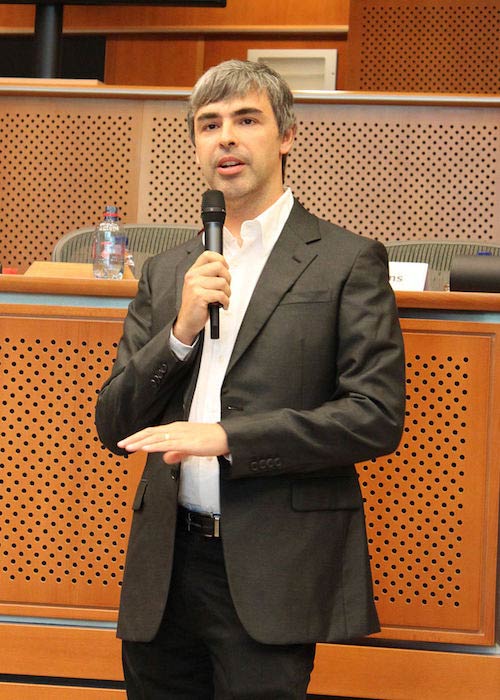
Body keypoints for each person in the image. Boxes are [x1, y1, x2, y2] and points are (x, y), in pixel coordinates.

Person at [95, 59, 406, 700]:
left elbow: (374, 414)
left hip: (271, 569)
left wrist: (227, 437)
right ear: (197, 148)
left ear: (286, 135)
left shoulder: (346, 261)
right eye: (209, 125)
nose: (226, 138)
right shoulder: (168, 270)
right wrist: (179, 332)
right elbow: (115, 424)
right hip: (165, 570)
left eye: (246, 119)